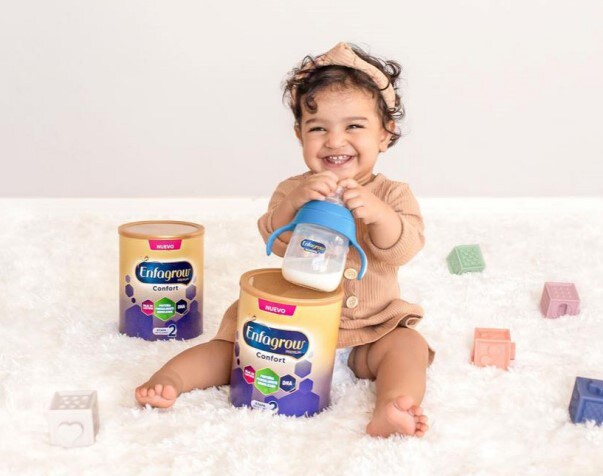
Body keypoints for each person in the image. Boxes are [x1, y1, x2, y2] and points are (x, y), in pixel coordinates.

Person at [136, 42, 434, 438]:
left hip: (368, 329)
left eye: (354, 126)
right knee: (233, 349)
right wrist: (295, 204)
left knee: (408, 346)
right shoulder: (295, 188)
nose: (335, 141)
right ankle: (171, 378)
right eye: (318, 128)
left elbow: (405, 248)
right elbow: (275, 239)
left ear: (385, 133)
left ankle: (393, 406)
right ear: (299, 135)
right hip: (290, 325)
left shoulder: (393, 194)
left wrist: (380, 216)